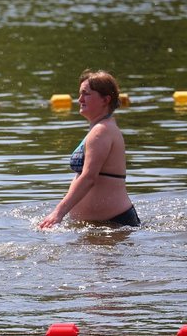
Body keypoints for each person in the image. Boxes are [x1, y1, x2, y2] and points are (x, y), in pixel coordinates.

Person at [39, 69, 140, 229]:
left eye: (86, 94)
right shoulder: (100, 128)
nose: (80, 99)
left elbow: (89, 177)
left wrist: (58, 212)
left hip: (114, 224)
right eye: (80, 94)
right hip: (101, 225)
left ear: (105, 100)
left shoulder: (102, 130)